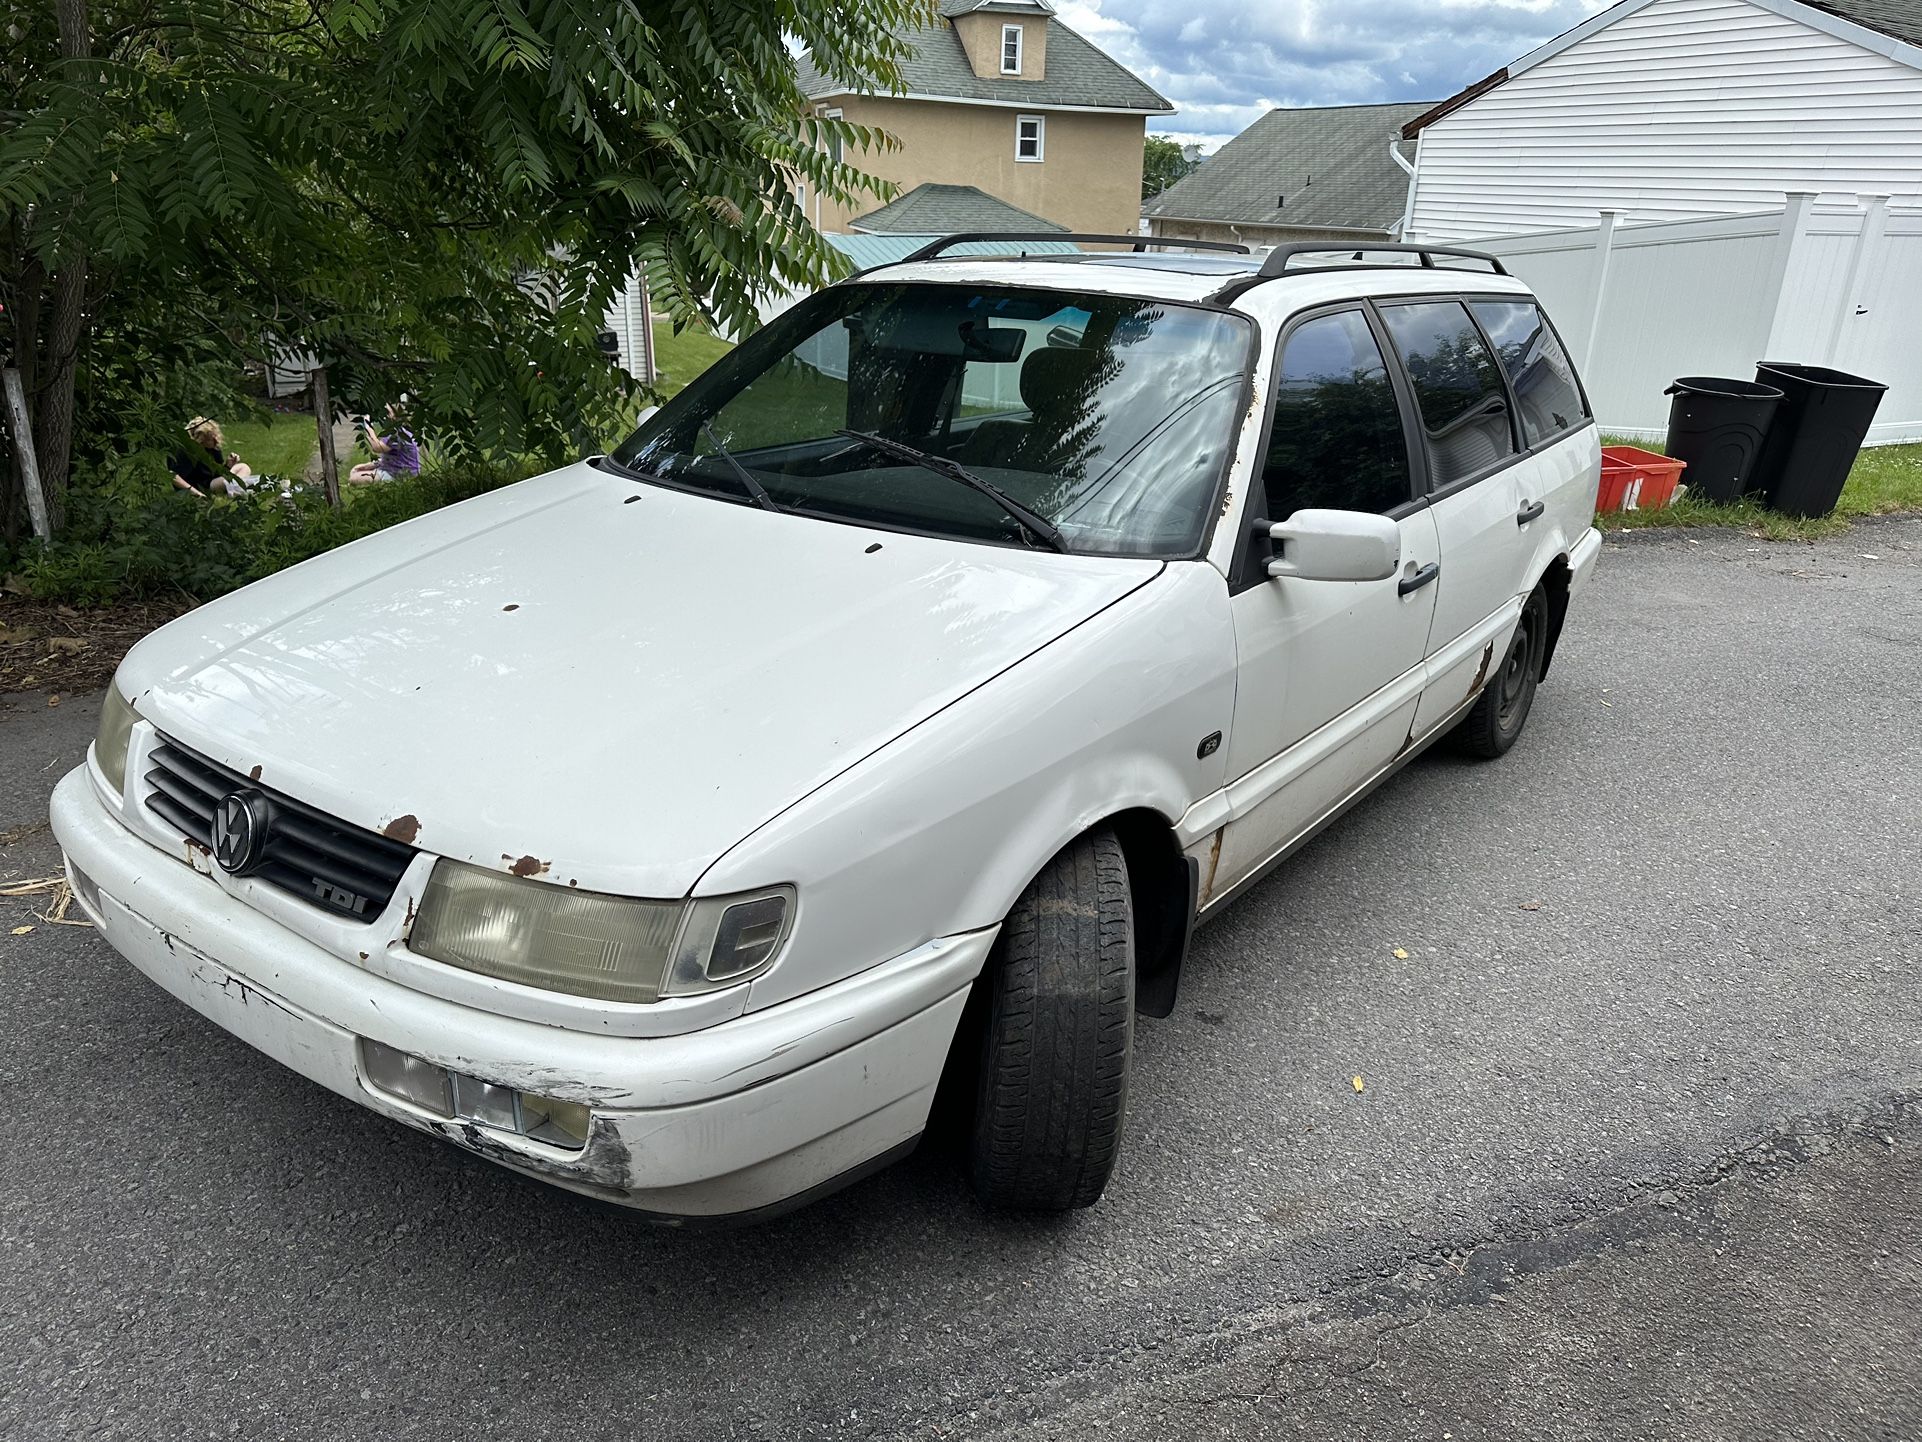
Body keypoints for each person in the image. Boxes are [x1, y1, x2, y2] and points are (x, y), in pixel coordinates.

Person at [168, 418, 256, 497]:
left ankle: (236, 488)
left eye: (215, 436)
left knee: (243, 467)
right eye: (210, 439)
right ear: (201, 440)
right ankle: (239, 488)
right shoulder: (187, 452)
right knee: (226, 481)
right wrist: (196, 493)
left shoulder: (214, 449)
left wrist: (228, 465)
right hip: (201, 485)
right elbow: (173, 476)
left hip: (212, 480)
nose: (216, 440)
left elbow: (217, 473)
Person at [349, 399, 421, 483]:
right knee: (356, 469)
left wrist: (368, 427)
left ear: (394, 416)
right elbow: (392, 456)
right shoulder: (404, 430)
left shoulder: (396, 434)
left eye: (387, 413)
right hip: (401, 470)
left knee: (354, 477)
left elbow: (377, 447)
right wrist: (370, 465)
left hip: (399, 474)